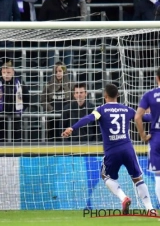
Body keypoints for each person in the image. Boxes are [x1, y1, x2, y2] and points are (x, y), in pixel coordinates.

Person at [62, 84, 155, 214]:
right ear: (118, 95)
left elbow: (88, 118)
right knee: (138, 179)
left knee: (105, 175)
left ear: (105, 96)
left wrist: (73, 128)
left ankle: (123, 197)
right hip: (128, 148)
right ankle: (150, 209)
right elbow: (145, 118)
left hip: (112, 150)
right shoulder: (127, 109)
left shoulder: (101, 110)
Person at [135, 67, 160, 208]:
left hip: (156, 138)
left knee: (158, 176)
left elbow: (138, 116)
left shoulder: (150, 95)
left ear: (157, 78)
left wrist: (143, 136)